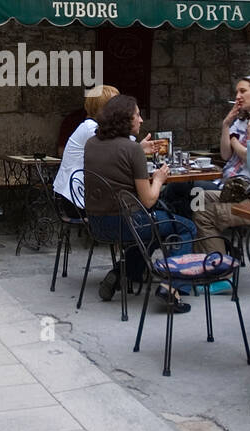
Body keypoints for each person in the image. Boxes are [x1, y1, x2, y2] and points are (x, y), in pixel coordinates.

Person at [83, 95, 195, 311]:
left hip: (96, 222)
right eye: (137, 115)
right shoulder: (131, 149)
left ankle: (120, 274)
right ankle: (171, 288)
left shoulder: (92, 144)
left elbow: (116, 158)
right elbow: (149, 200)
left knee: (154, 229)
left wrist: (138, 150)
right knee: (185, 227)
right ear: (125, 119)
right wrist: (160, 179)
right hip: (127, 223)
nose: (141, 120)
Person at [191, 77, 250, 255]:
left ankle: (211, 252)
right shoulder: (240, 121)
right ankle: (203, 248)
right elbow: (225, 155)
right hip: (227, 180)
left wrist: (234, 140)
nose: (238, 96)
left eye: (243, 91)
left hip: (244, 187)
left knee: (191, 191)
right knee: (189, 196)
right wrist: (226, 125)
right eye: (237, 92)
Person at [54, 84, 120, 208]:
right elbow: (116, 155)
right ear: (102, 107)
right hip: (76, 199)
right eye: (115, 104)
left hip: (80, 195)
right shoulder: (91, 128)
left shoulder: (94, 127)